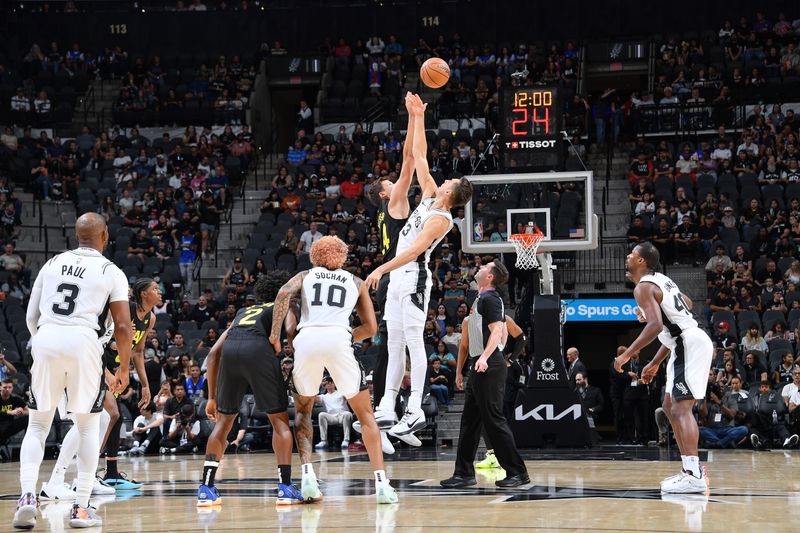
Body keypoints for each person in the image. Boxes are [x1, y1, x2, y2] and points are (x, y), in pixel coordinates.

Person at [15, 213, 132, 529]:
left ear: (77, 235)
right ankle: (81, 508)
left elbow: (30, 315)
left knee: (37, 425)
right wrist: (123, 366)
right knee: (87, 426)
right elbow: (122, 324)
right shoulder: (111, 271)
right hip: (83, 343)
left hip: (46, 337)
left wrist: (42, 343)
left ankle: (27, 495)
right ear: (104, 236)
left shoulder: (51, 263)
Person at [366, 93, 473, 440]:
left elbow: (413, 252)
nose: (442, 181)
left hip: (413, 278)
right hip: (398, 277)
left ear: (450, 194)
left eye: (448, 184)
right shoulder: (429, 194)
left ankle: (413, 410)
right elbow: (419, 155)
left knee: (413, 340)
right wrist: (417, 116)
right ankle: (386, 405)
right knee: (394, 341)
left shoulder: (441, 219)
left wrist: (381, 269)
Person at [270, 236, 398, 504]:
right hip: (339, 338)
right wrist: (346, 336)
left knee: (304, 412)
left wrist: (275, 335)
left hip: (306, 340)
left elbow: (282, 294)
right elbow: (371, 329)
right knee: (365, 415)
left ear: (315, 255)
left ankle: (307, 476)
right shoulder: (355, 281)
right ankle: (382, 485)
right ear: (342, 256)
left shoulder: (305, 275)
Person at [614, 242, 712, 494]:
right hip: (683, 343)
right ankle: (689, 469)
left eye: (632, 254)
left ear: (641, 262)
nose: (628, 256)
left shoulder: (643, 287)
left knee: (680, 408)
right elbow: (686, 304)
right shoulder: (662, 281)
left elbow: (656, 325)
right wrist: (655, 362)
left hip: (688, 342)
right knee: (669, 406)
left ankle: (693, 473)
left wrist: (628, 354)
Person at [197, 270, 301, 506]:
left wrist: (211, 398)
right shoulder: (281, 304)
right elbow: (289, 328)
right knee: (279, 421)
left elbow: (213, 354)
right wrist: (287, 346)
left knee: (223, 423)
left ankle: (206, 488)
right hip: (258, 350)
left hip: (231, 352)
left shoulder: (244, 311)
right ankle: (285, 487)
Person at [440, 260, 529, 489]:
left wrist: (484, 358)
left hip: (489, 364)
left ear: (490, 276)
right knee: (469, 421)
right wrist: (464, 368)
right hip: (479, 363)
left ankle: (518, 472)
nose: (478, 268)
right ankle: (464, 473)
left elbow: (497, 330)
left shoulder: (491, 298)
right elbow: (467, 343)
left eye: (484, 267)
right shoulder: (479, 299)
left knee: (494, 420)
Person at [365, 92, 418, 451]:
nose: (393, 182)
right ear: (385, 195)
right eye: (388, 183)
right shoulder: (395, 202)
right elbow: (410, 160)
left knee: (399, 351)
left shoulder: (385, 211)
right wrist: (415, 119)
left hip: (394, 276)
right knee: (395, 351)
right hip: (398, 277)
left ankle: (395, 417)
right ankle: (388, 421)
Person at [314, 377, 353, 449]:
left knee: (347, 414)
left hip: (342, 415)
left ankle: (346, 440)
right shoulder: (323, 396)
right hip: (332, 417)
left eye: (331, 382)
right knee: (321, 415)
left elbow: (349, 395)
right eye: (327, 383)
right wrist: (319, 385)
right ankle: (324, 441)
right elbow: (313, 399)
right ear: (324, 386)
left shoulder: (341, 393)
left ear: (335, 384)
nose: (329, 384)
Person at [0, 378, 28, 447]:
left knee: (28, 418)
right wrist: (10, 412)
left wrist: (21, 411)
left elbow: (28, 411)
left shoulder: (15, 398)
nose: (7, 389)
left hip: (9, 426)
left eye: (9, 387)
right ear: (0, 387)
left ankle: (27, 443)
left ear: (12, 388)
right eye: (5, 387)